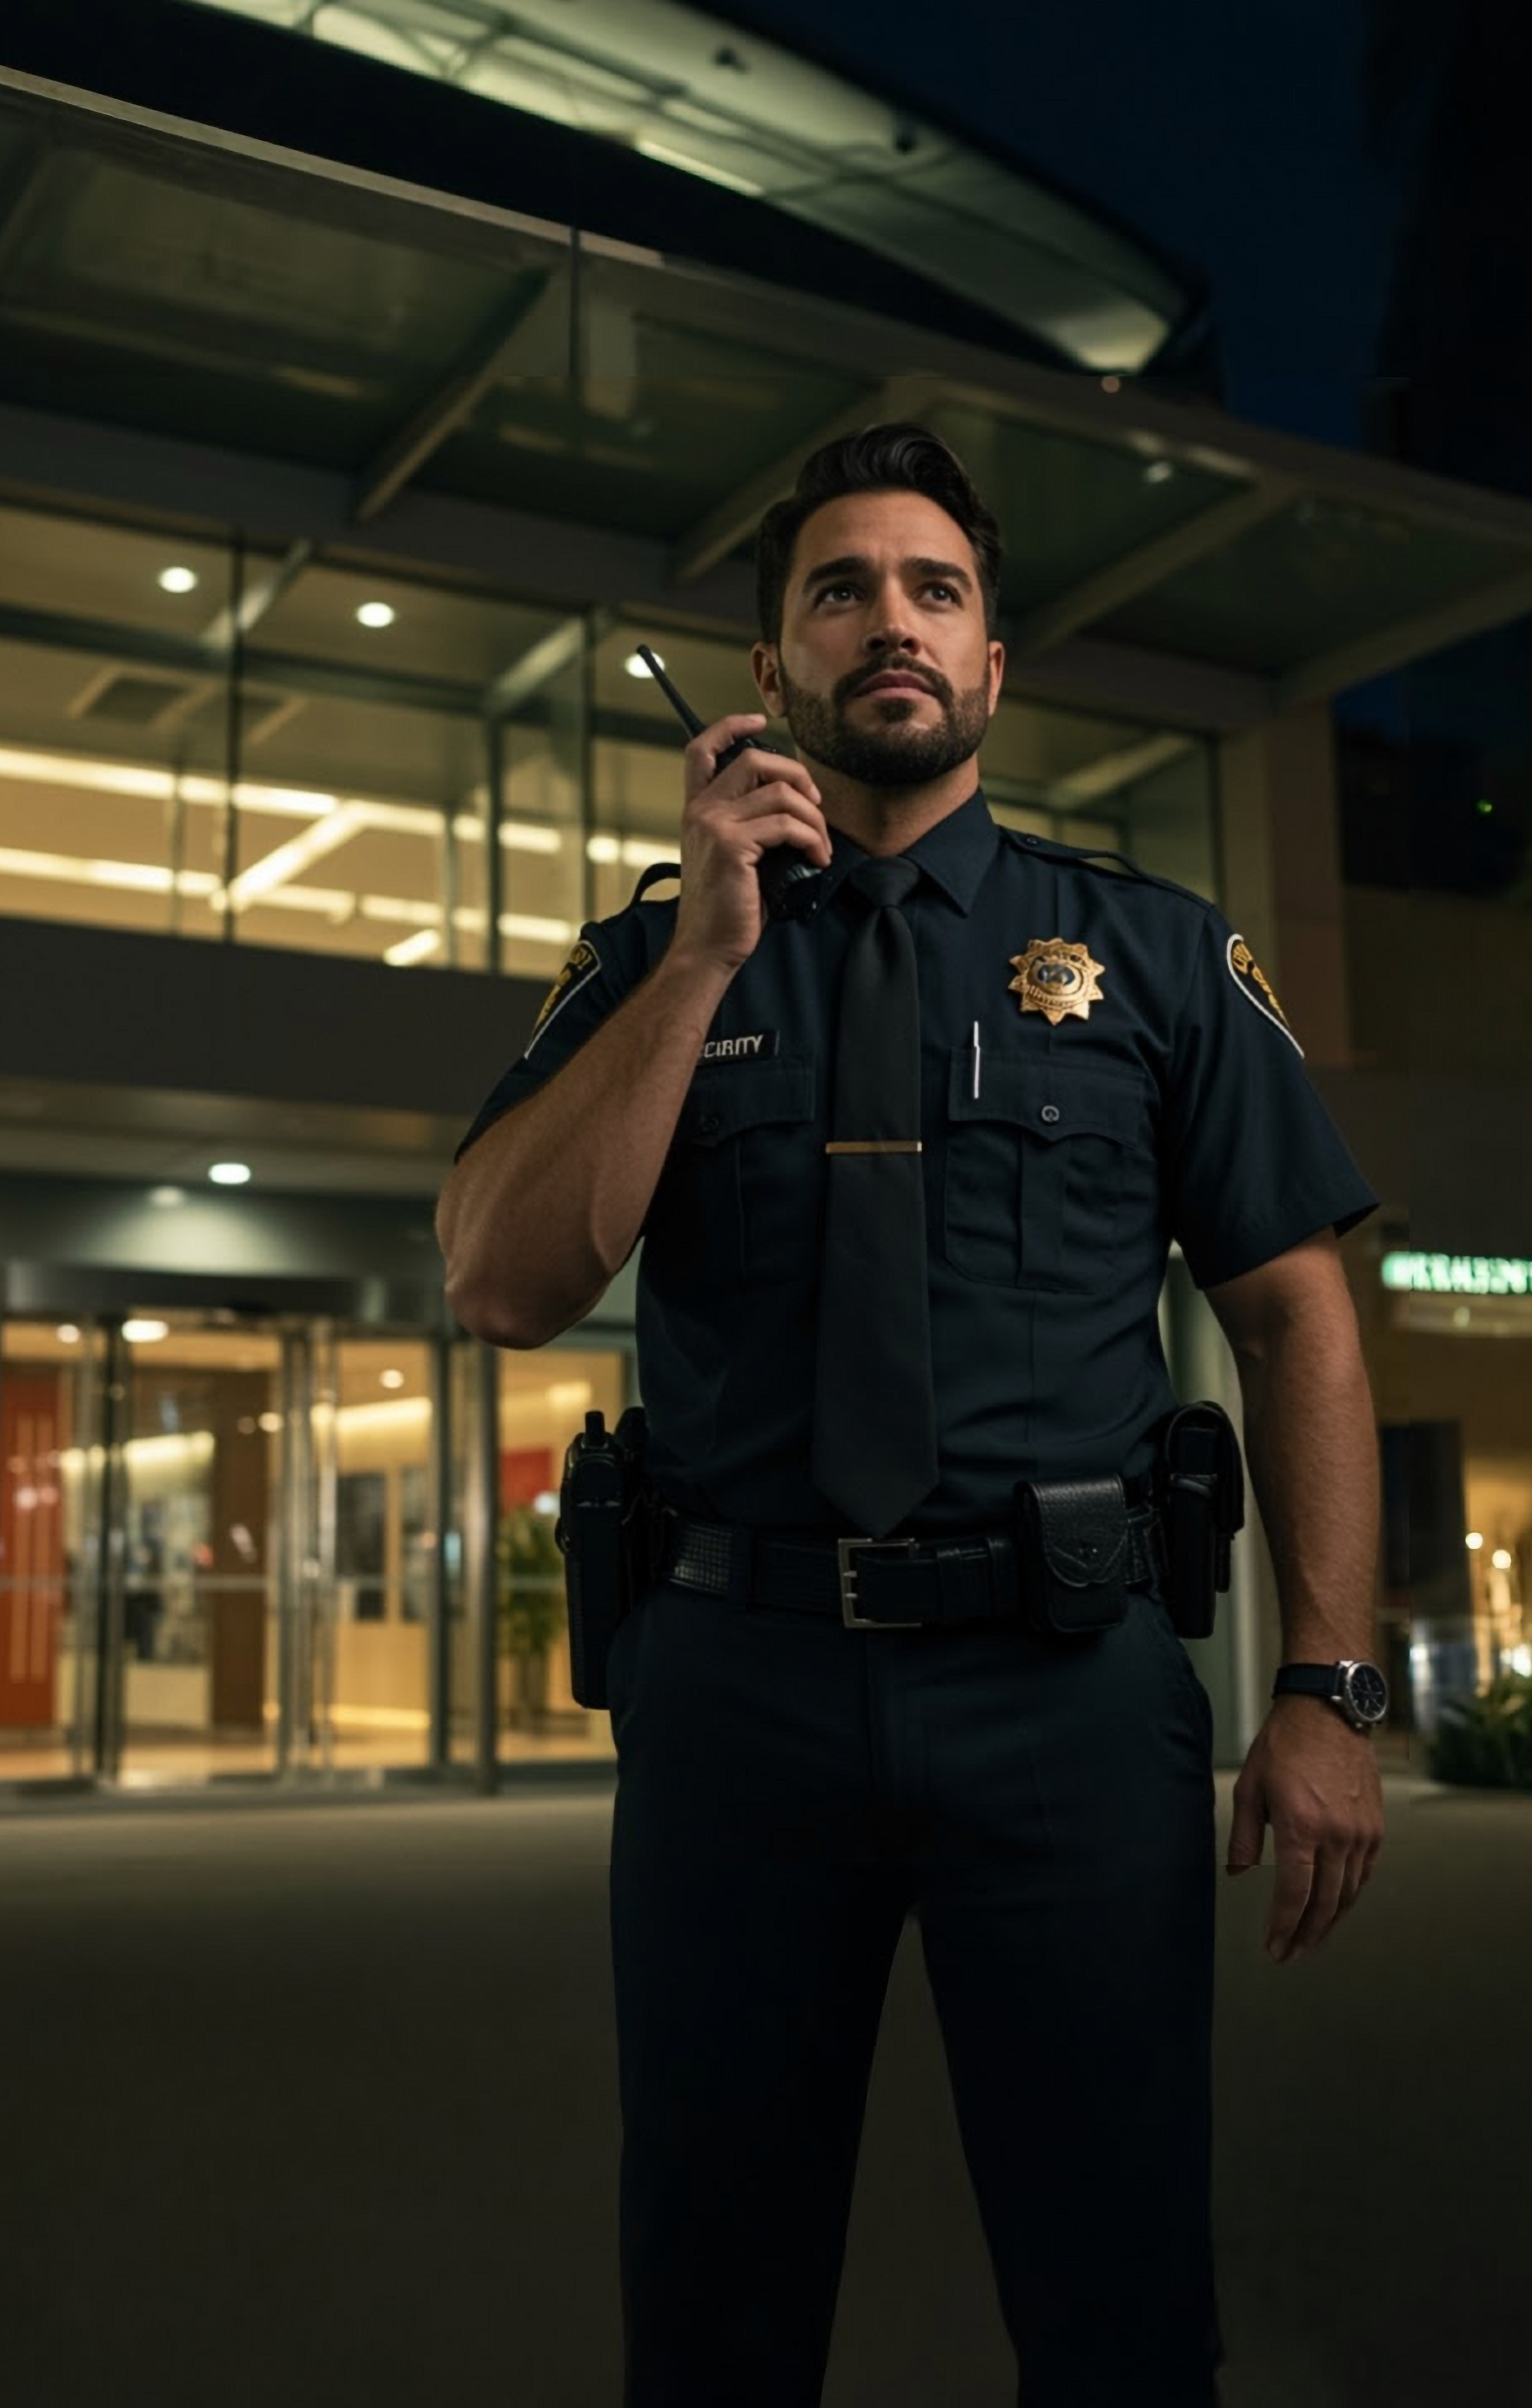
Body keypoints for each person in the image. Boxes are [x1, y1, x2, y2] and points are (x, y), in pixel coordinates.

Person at [436, 423, 1388, 2406]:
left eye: (935, 590)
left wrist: (1326, 1687)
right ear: (769, 671)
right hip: (737, 1695)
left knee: (1119, 2305)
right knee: (713, 2307)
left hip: (1066, 1696)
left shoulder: (1148, 959)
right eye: (842, 588)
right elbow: (500, 1283)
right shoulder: (653, 958)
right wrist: (705, 946)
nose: (895, 622)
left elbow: (1299, 1321)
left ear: (991, 669)